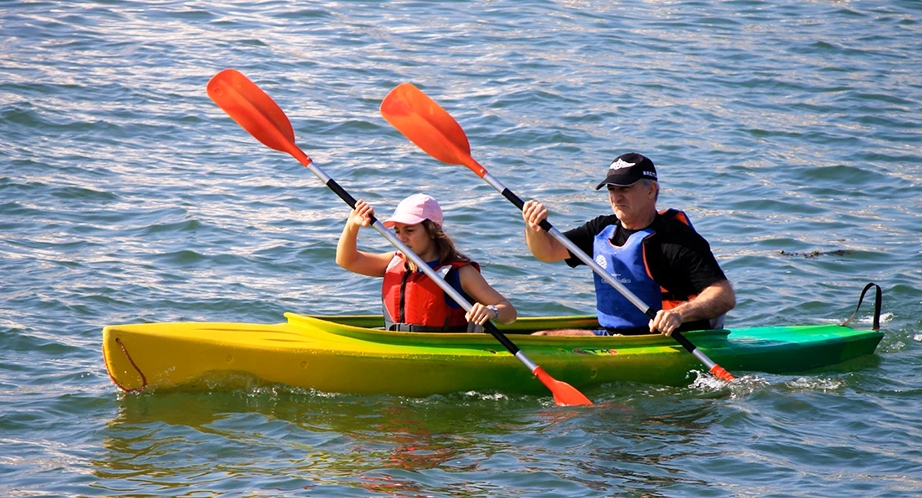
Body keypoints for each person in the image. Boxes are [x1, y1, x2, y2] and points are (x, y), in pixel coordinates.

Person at [521, 152, 735, 337]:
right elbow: (547, 252)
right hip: (616, 334)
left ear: (651, 190)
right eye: (611, 189)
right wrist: (533, 226)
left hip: (669, 337)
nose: (616, 196)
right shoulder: (601, 229)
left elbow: (724, 295)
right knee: (540, 336)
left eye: (625, 188)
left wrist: (679, 314)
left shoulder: (677, 240)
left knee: (543, 336)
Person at [336, 193, 517, 332]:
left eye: (410, 230)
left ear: (432, 230)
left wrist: (491, 311)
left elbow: (509, 312)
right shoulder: (393, 262)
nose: (402, 238)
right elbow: (346, 260)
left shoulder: (461, 273)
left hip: (442, 352)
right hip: (398, 344)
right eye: (398, 231)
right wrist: (352, 225)